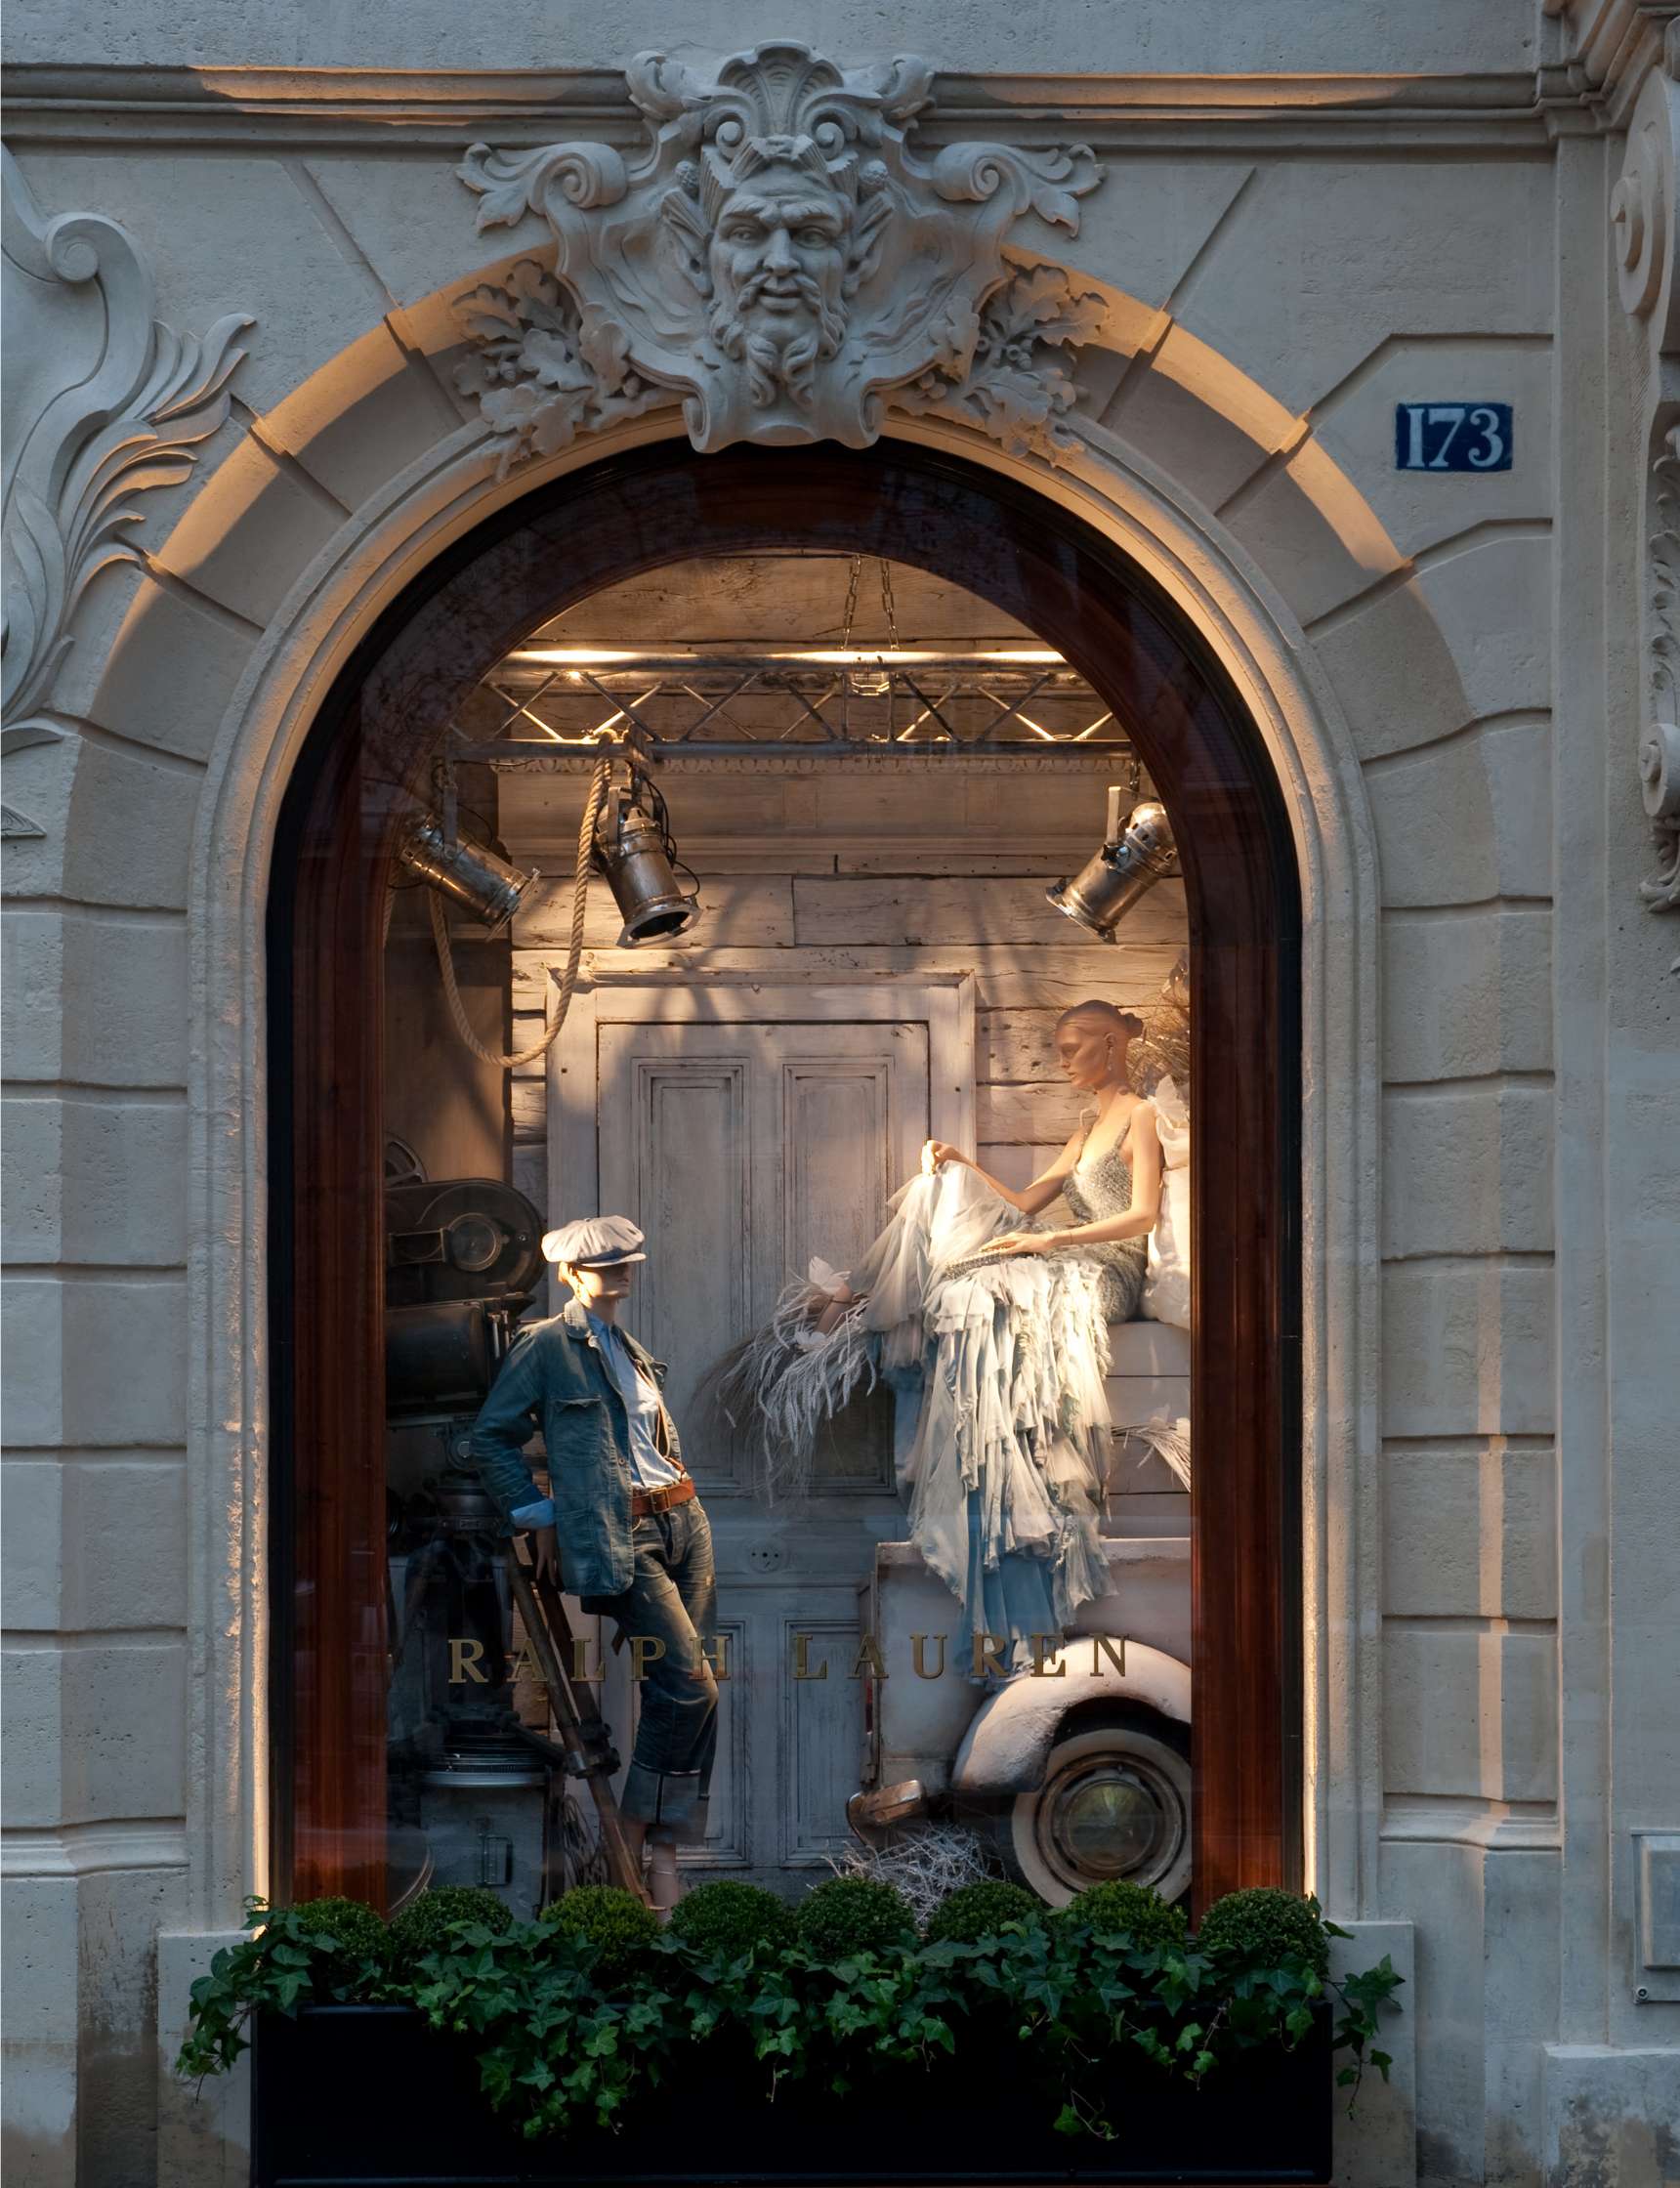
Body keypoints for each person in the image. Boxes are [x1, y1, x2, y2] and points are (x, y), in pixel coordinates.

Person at [716, 1000, 1163, 1674]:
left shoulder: (1141, 1117)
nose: (1062, 1060)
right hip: (1062, 1249)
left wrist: (1052, 1240)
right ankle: (860, 1300)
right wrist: (960, 1163)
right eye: (1059, 1047)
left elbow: (1142, 1216)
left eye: (1072, 1047)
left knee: (986, 1292)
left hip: (1107, 1270)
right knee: (955, 1258)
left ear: (1110, 1044)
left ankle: (852, 1305)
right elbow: (1022, 1203)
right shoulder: (1086, 1127)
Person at [469, 1215, 718, 1906]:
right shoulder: (546, 1347)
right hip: (623, 1535)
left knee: (695, 1692)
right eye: (607, 1266)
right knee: (689, 1686)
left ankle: (663, 1853)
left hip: (684, 1521)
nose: (622, 1272)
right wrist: (540, 1513)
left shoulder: (626, 1347)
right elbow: (489, 1438)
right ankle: (634, 1847)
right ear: (572, 1276)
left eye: (628, 1261)